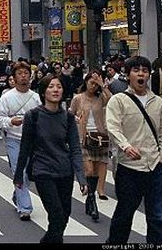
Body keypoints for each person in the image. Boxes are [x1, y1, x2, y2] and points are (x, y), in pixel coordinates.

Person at [105, 55, 162, 244]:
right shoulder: (118, 100)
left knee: (158, 216)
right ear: (128, 75)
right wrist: (126, 147)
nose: (141, 74)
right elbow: (113, 127)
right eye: (136, 70)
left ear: (149, 75)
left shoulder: (158, 102)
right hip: (129, 167)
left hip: (155, 166)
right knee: (125, 214)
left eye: (144, 70)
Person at [13, 75, 88, 243]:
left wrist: (81, 177)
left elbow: (75, 148)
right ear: (43, 91)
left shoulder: (68, 118)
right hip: (43, 171)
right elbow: (25, 148)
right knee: (57, 216)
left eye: (59, 87)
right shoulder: (33, 116)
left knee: (64, 216)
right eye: (51, 87)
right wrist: (19, 175)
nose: (55, 90)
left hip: (65, 172)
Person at [0, 61, 42, 221]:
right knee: (18, 171)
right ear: (13, 78)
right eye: (20, 74)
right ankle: (25, 207)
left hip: (32, 141)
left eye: (26, 73)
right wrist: (10, 122)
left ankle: (18, 195)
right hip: (13, 139)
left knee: (28, 172)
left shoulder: (36, 98)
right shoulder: (7, 97)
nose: (23, 76)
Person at [69, 69, 112, 218]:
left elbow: (112, 101)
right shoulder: (78, 98)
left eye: (95, 84)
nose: (93, 86)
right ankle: (92, 197)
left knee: (101, 164)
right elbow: (70, 113)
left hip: (100, 136)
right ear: (85, 82)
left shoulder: (101, 98)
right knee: (88, 169)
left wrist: (102, 84)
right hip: (84, 136)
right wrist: (76, 119)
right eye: (91, 82)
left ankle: (97, 192)